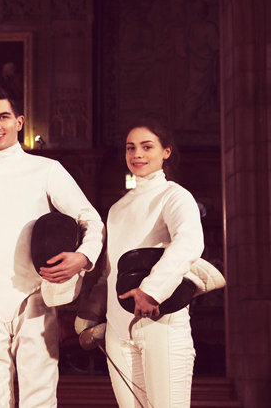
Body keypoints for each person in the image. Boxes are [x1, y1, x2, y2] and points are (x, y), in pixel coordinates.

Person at [0, 83, 104, 407]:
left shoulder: (46, 170)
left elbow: (91, 219)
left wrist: (83, 257)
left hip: (36, 302)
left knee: (39, 402)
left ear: (20, 121)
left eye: (3, 117)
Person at [100, 122, 203, 407]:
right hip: (119, 329)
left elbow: (190, 242)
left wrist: (151, 291)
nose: (137, 154)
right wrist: (97, 314)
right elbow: (111, 271)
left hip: (162, 321)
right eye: (131, 147)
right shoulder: (117, 208)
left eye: (147, 147)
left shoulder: (174, 195)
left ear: (166, 152)